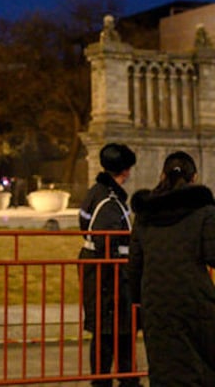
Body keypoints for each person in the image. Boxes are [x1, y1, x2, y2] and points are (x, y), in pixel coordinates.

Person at [128, 151, 215, 386]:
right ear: (194, 177)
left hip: (156, 301)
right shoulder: (204, 211)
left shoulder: (145, 214)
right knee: (201, 366)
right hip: (194, 298)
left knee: (164, 367)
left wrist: (137, 299)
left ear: (162, 175)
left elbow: (135, 262)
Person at [78, 142, 140, 387]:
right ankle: (116, 381)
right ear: (124, 170)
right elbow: (109, 246)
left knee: (111, 332)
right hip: (110, 278)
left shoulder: (96, 192)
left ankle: (119, 379)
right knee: (114, 332)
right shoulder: (110, 202)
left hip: (99, 274)